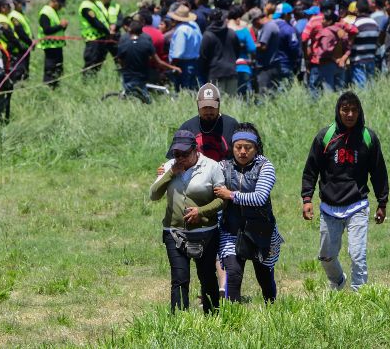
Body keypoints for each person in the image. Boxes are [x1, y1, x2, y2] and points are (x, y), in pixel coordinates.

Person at [301, 91, 389, 292]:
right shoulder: (325, 137)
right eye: (345, 109)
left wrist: (382, 203)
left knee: (358, 254)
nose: (350, 114)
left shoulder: (368, 138)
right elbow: (311, 170)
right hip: (329, 208)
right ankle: (338, 280)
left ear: (360, 112)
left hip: (357, 205)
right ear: (338, 111)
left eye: (354, 110)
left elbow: (378, 172)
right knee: (326, 256)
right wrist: (307, 198)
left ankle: (360, 294)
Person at [150, 130, 225, 315]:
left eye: (185, 154)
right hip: (173, 232)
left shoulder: (212, 167)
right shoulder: (170, 166)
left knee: (207, 276)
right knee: (179, 278)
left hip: (205, 233)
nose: (181, 158)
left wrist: (201, 211)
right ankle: (180, 320)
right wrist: (170, 173)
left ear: (195, 150)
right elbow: (154, 195)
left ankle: (213, 315)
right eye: (177, 154)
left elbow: (222, 199)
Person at [213, 123, 283, 303]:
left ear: (256, 148)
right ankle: (232, 316)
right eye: (238, 147)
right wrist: (172, 168)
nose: (242, 151)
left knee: (265, 278)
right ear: (232, 147)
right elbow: (201, 169)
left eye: (248, 147)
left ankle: (272, 309)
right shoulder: (222, 166)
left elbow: (259, 198)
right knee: (233, 274)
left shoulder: (265, 166)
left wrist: (231, 195)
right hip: (231, 230)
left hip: (261, 231)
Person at [117, 20, 181, 103]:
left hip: (128, 77)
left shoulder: (123, 45)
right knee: (145, 98)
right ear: (141, 31)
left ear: (129, 30)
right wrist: (173, 67)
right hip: (143, 76)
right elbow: (158, 62)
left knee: (130, 97)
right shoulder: (146, 44)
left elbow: (120, 61)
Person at [199, 9, 241, 96]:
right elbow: (237, 52)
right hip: (231, 72)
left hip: (215, 73)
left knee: (217, 104)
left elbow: (203, 56)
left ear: (209, 20)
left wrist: (204, 71)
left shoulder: (208, 35)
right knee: (231, 103)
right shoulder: (232, 33)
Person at [79, 0, 113, 77]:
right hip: (92, 38)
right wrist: (107, 31)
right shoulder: (86, 6)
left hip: (100, 37)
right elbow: (95, 22)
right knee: (91, 61)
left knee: (99, 61)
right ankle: (86, 80)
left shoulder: (94, 3)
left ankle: (93, 78)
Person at [167, 5, 202, 92]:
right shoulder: (194, 25)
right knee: (193, 89)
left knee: (183, 90)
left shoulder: (181, 30)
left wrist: (172, 65)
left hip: (183, 64)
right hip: (195, 61)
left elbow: (178, 52)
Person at [37, 0, 68, 88]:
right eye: (60, 5)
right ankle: (48, 88)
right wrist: (60, 26)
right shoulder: (45, 12)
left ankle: (55, 87)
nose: (61, 7)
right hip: (50, 47)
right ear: (54, 1)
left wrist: (63, 27)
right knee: (50, 70)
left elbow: (55, 30)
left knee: (58, 69)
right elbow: (47, 30)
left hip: (57, 46)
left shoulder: (53, 11)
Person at [349, 0, 379, 88]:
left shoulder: (355, 24)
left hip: (358, 60)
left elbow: (350, 42)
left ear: (357, 9)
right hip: (371, 59)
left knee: (361, 88)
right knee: (371, 86)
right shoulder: (374, 23)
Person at [8, 0, 35, 78]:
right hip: (19, 46)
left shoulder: (21, 15)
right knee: (20, 70)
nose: (24, 6)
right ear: (16, 4)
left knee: (25, 69)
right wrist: (31, 42)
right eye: (22, 4)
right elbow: (20, 32)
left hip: (25, 46)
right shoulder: (14, 16)